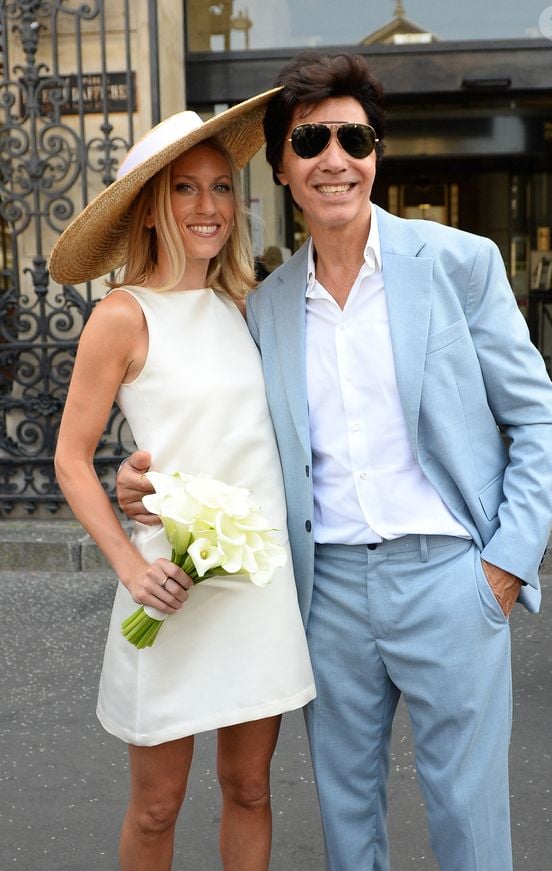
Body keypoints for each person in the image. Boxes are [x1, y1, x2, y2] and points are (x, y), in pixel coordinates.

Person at [117, 52, 552, 871]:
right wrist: (143, 477)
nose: (336, 157)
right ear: (285, 165)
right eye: (312, 139)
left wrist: (504, 564)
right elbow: (218, 415)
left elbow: (540, 420)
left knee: (471, 822)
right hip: (326, 596)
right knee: (347, 824)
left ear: (375, 154)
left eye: (354, 138)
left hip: (450, 579)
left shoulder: (459, 265)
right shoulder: (266, 304)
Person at [50, 94, 315, 871]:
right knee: (157, 805)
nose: (209, 206)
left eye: (221, 186)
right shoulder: (123, 316)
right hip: (168, 583)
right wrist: (132, 567)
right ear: (151, 208)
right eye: (185, 188)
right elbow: (71, 457)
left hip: (255, 587)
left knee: (251, 790)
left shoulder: (246, 304)